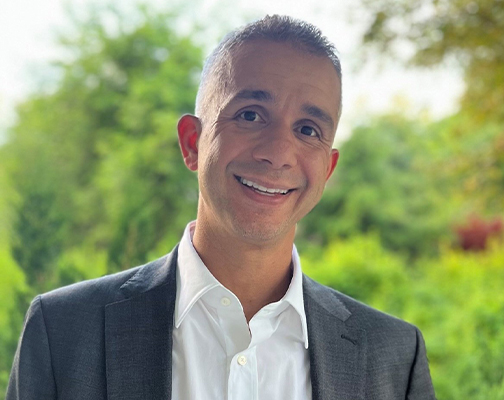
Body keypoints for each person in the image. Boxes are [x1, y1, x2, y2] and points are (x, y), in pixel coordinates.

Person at [7, 15, 436, 400]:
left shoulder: (394, 358)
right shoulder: (63, 331)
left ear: (328, 169)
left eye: (308, 129)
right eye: (251, 115)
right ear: (192, 143)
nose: (278, 153)